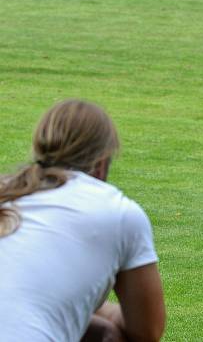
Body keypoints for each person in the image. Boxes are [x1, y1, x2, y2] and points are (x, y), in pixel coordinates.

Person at [0, 100, 166, 342]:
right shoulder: (118, 212)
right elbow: (146, 331)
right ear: (102, 161)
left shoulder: (9, 191)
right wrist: (104, 315)